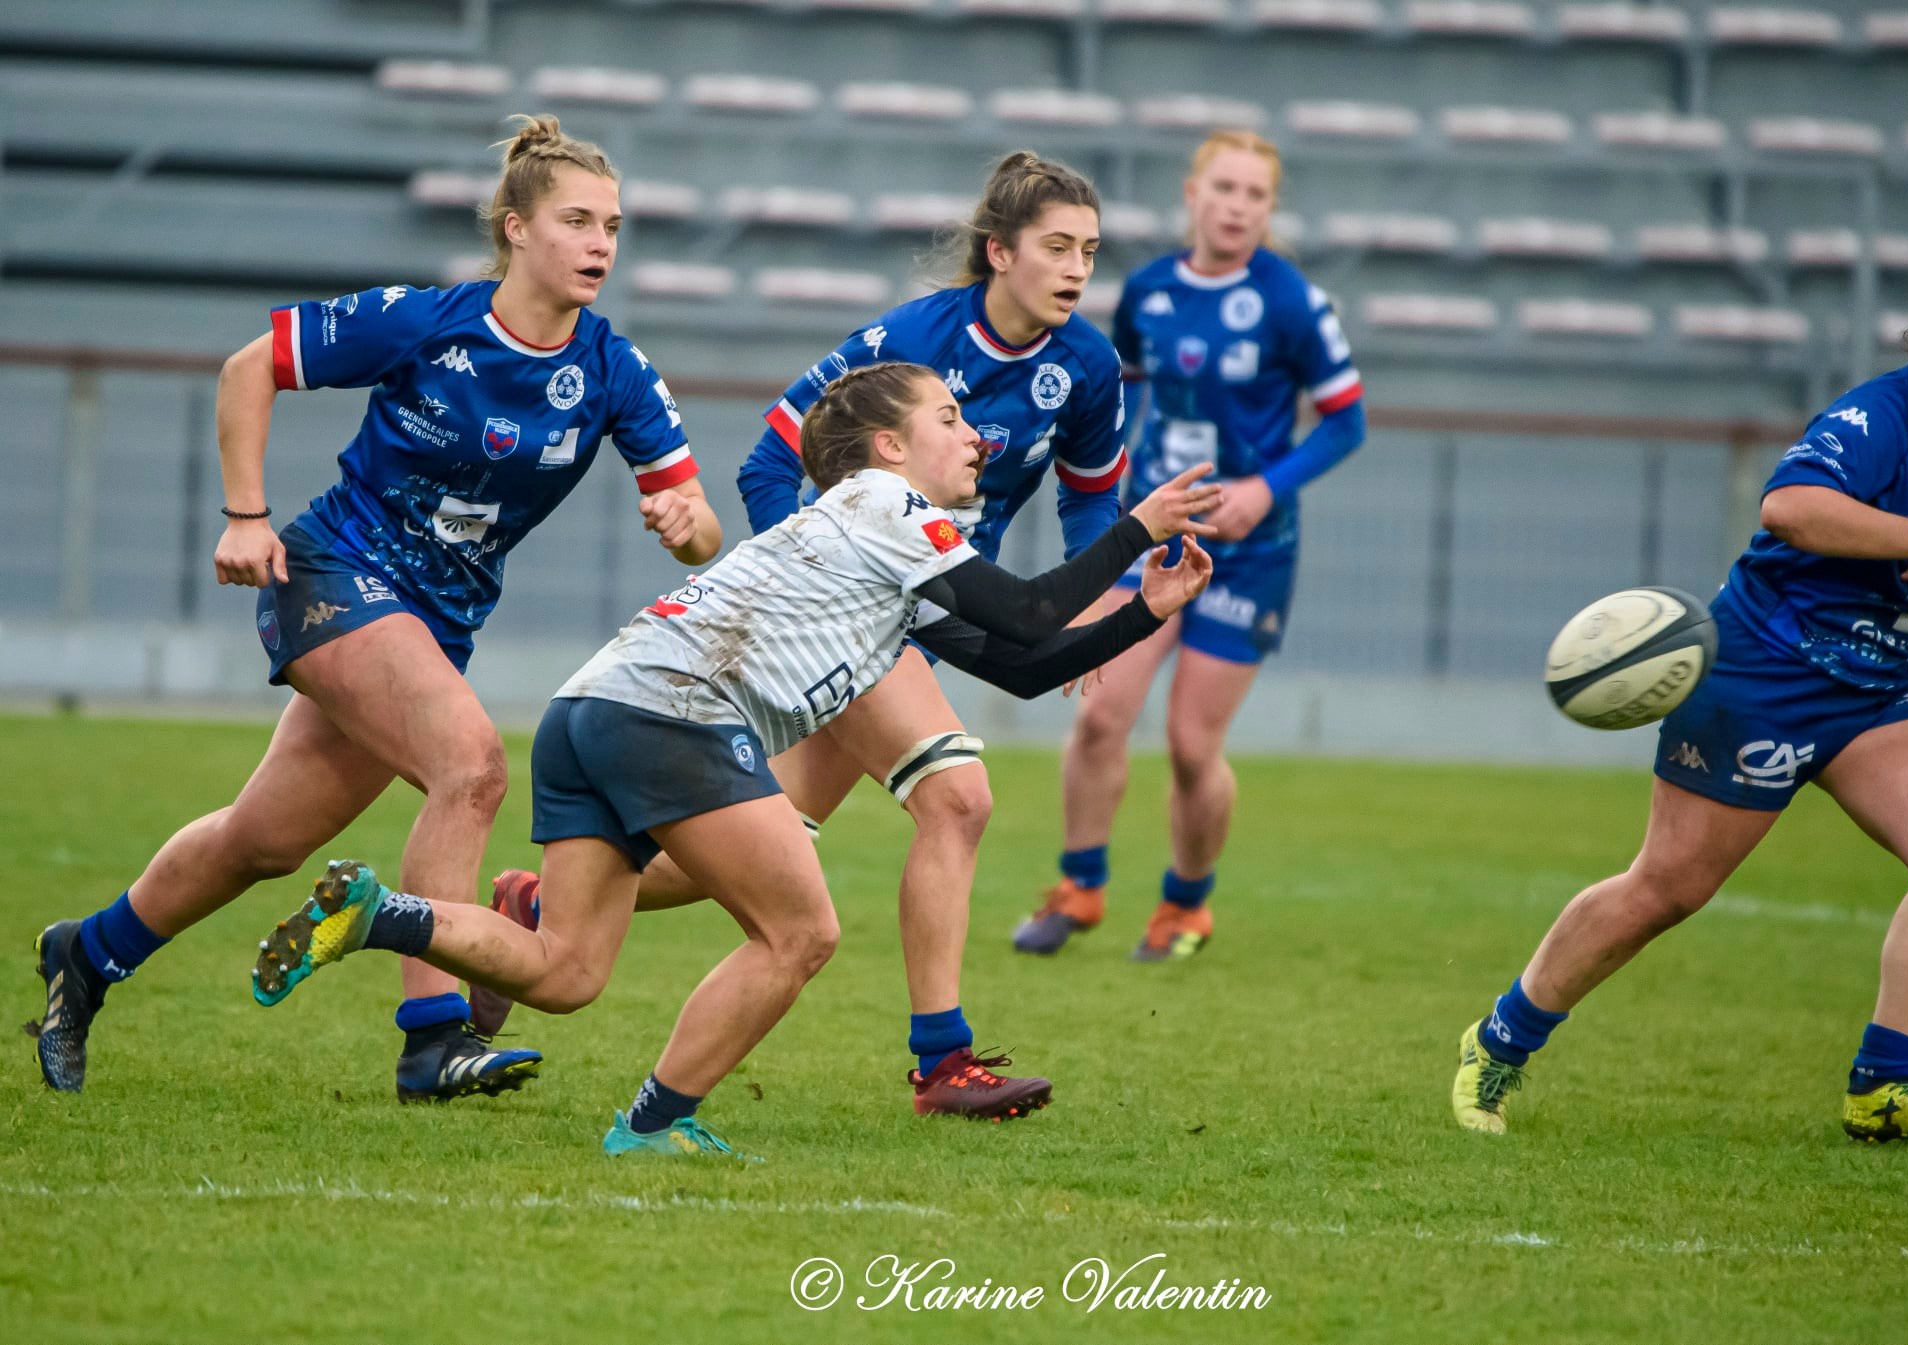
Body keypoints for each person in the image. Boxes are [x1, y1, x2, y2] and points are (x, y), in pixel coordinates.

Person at [248, 362, 1216, 1156]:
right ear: (888, 446)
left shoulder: (866, 537)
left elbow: (1019, 660)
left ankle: (381, 912)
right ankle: (654, 1124)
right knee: (800, 931)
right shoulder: (886, 501)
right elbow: (1029, 611)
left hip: (590, 706)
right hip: (671, 713)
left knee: (566, 970)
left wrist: (1144, 610)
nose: (975, 436)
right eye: (950, 417)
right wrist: (1138, 528)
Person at [30, 114, 721, 1102]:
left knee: (262, 841)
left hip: (431, 625)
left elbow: (700, 533)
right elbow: (246, 369)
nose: (601, 244)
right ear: (516, 228)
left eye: (612, 225)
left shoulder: (613, 368)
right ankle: (432, 1037)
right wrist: (244, 517)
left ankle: (87, 955)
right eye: (577, 221)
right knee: (470, 766)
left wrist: (686, 518)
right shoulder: (428, 321)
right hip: (331, 571)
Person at [482, 151, 1133, 1116]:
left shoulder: (1086, 365)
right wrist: (819, 583)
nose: (1076, 268)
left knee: (763, 841)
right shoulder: (909, 342)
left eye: (1088, 248)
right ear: (999, 252)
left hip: (950, 599)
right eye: (1056, 246)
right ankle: (942, 1060)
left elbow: (1090, 496)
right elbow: (764, 460)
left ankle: (537, 908)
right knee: (957, 799)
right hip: (882, 597)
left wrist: (1084, 606)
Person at [1449, 226, 1908, 1144]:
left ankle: (1882, 1081)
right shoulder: (1875, 420)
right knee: (1668, 887)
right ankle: (1499, 1038)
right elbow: (1789, 507)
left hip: (1882, 693)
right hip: (1760, 670)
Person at [1013, 130, 1366, 962]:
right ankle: (1080, 887)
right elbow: (1122, 397)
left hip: (1250, 549)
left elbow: (1345, 420)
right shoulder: (1147, 291)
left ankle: (1184, 905)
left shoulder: (1291, 302)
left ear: (1268, 210)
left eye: (1256, 194)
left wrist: (1262, 488)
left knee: (1189, 744)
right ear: (1193, 195)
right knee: (1098, 713)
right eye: (1225, 188)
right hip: (1153, 530)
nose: (1238, 206)